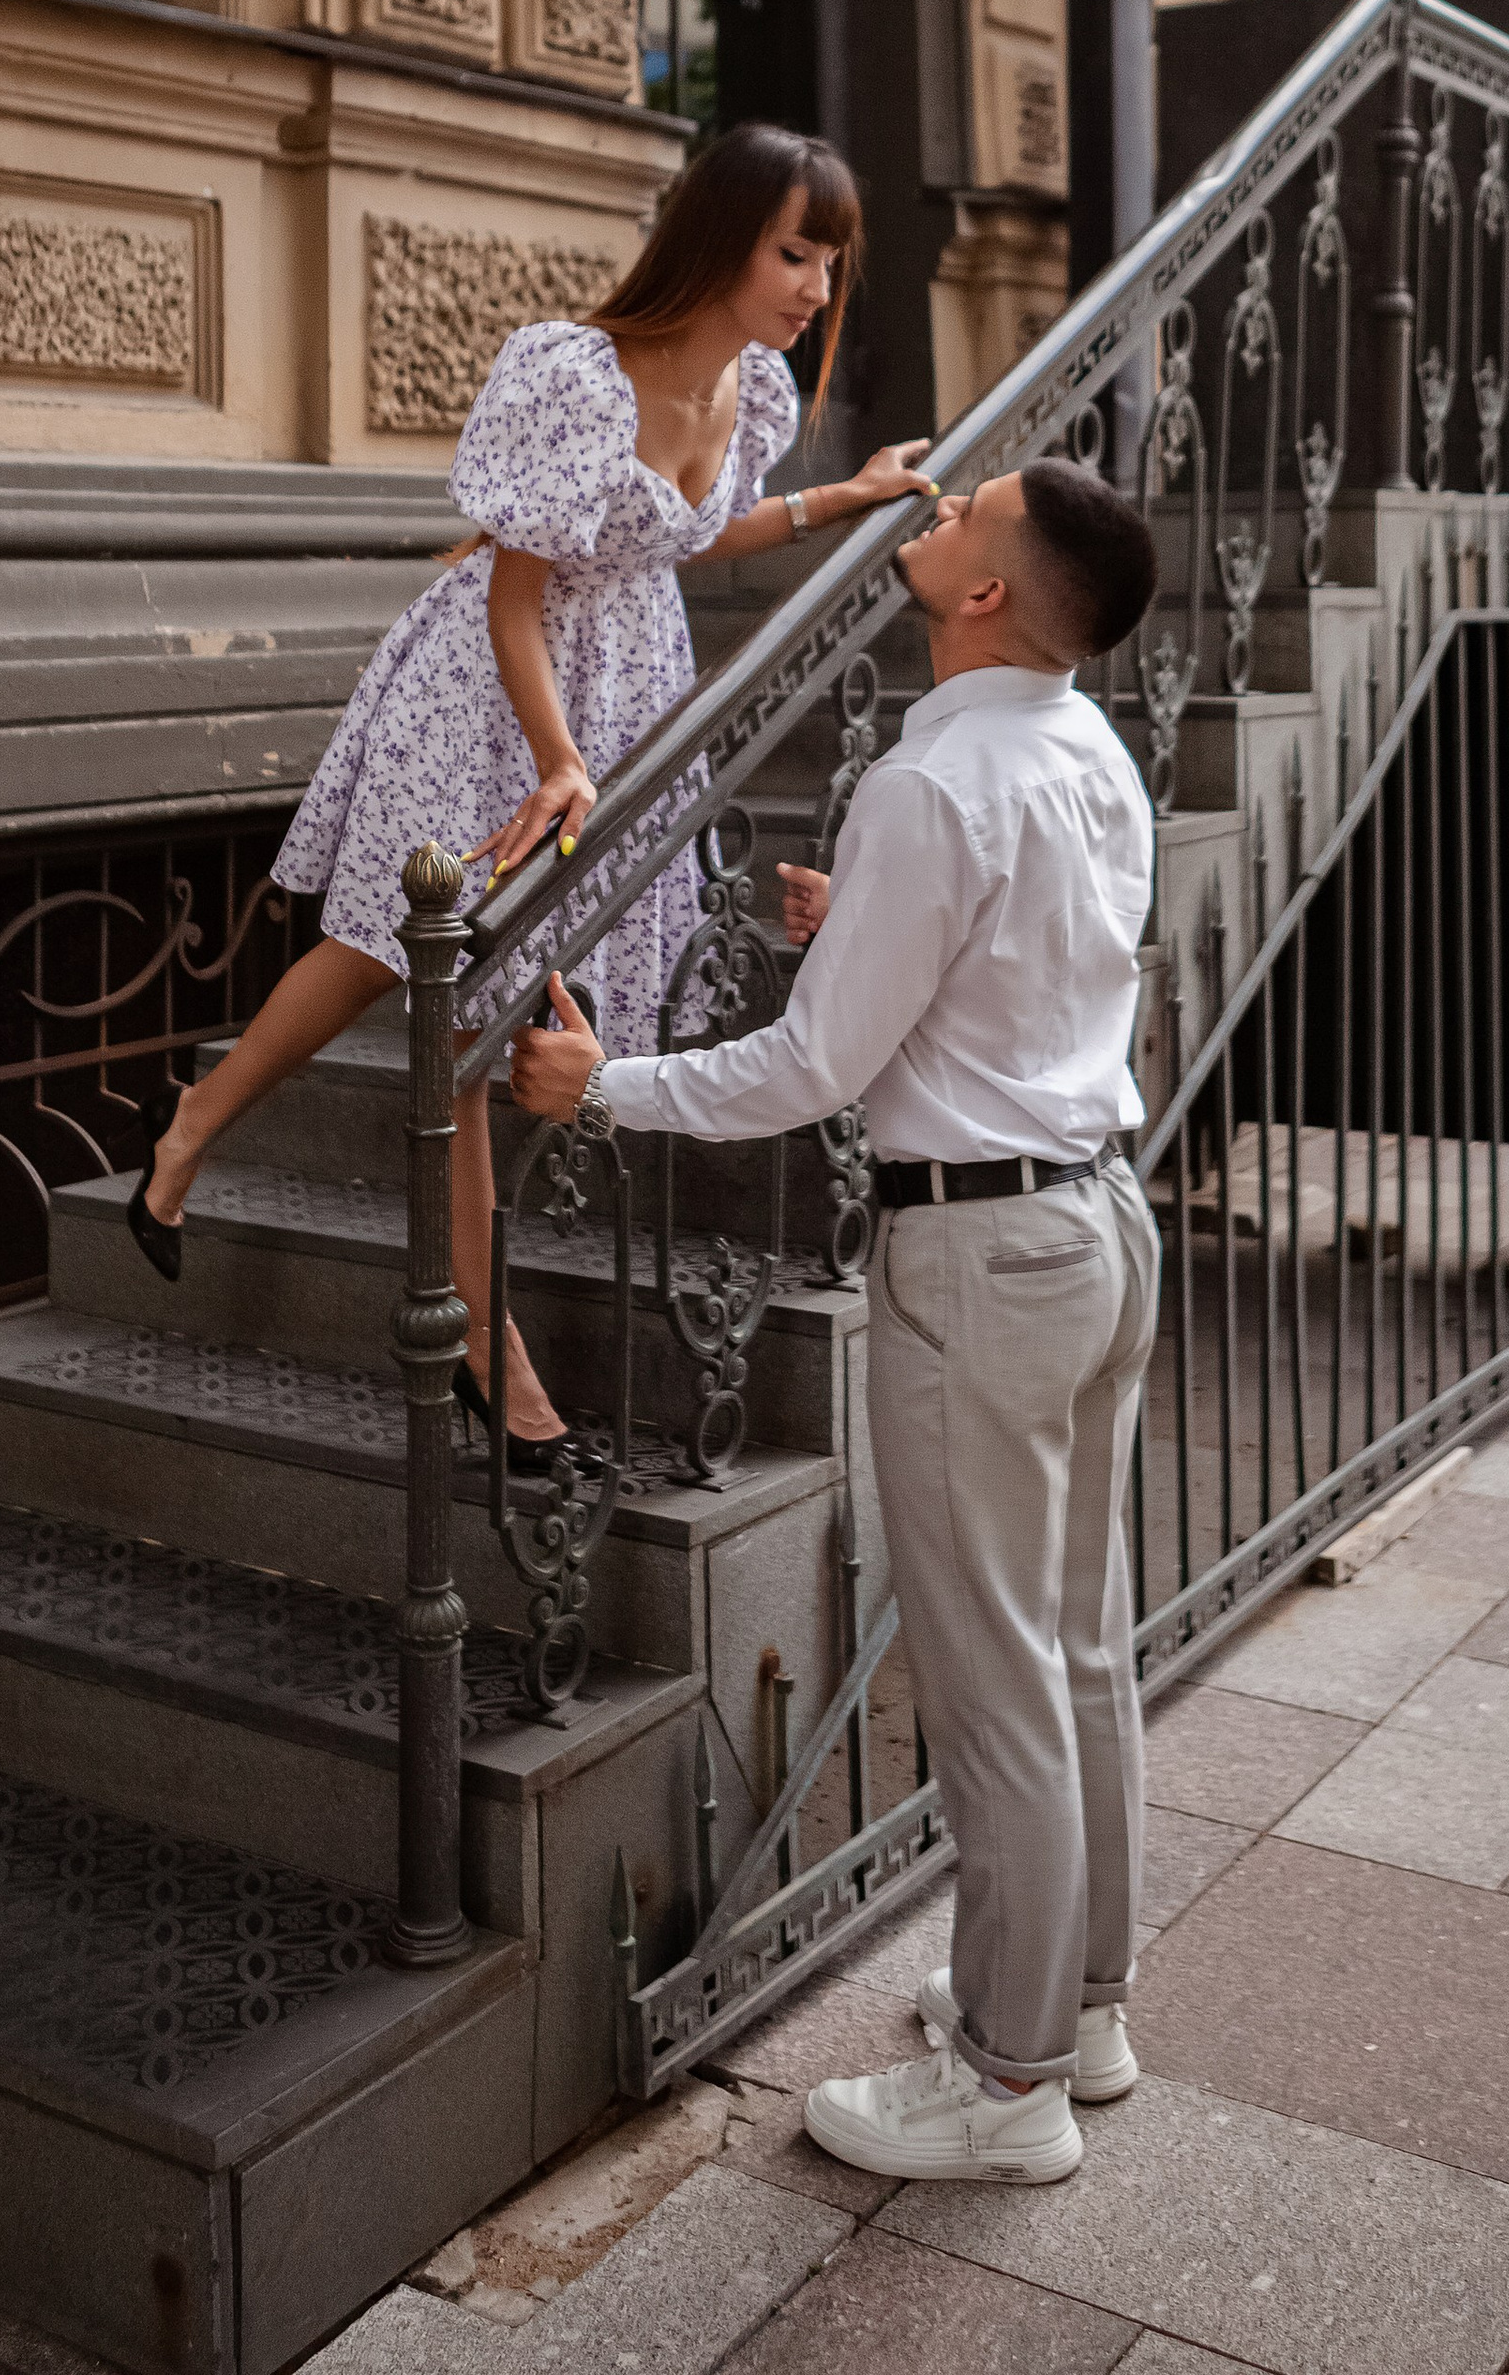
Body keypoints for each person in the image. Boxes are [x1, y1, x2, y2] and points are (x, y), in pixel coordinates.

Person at [512, 456, 1161, 2184]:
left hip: (987, 1257)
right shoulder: (1085, 747)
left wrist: (599, 1087)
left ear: (985, 597)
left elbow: (810, 1071)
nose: (928, 516)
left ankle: (1009, 2082)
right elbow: (1035, 968)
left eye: (962, 519)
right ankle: (1081, 2012)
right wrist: (856, 929)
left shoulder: (930, 782)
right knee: (1080, 1644)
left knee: (998, 1674)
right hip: (1098, 1219)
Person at [128, 121, 934, 1455]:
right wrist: (559, 755)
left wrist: (843, 495)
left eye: (830, 265)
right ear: (719, 236)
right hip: (491, 687)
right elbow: (516, 593)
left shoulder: (754, 393)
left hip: (621, 689)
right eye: (795, 252)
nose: (812, 289)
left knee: (429, 981)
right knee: (420, 974)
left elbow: (673, 534)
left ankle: (195, 1127)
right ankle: (476, 1337)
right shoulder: (576, 373)